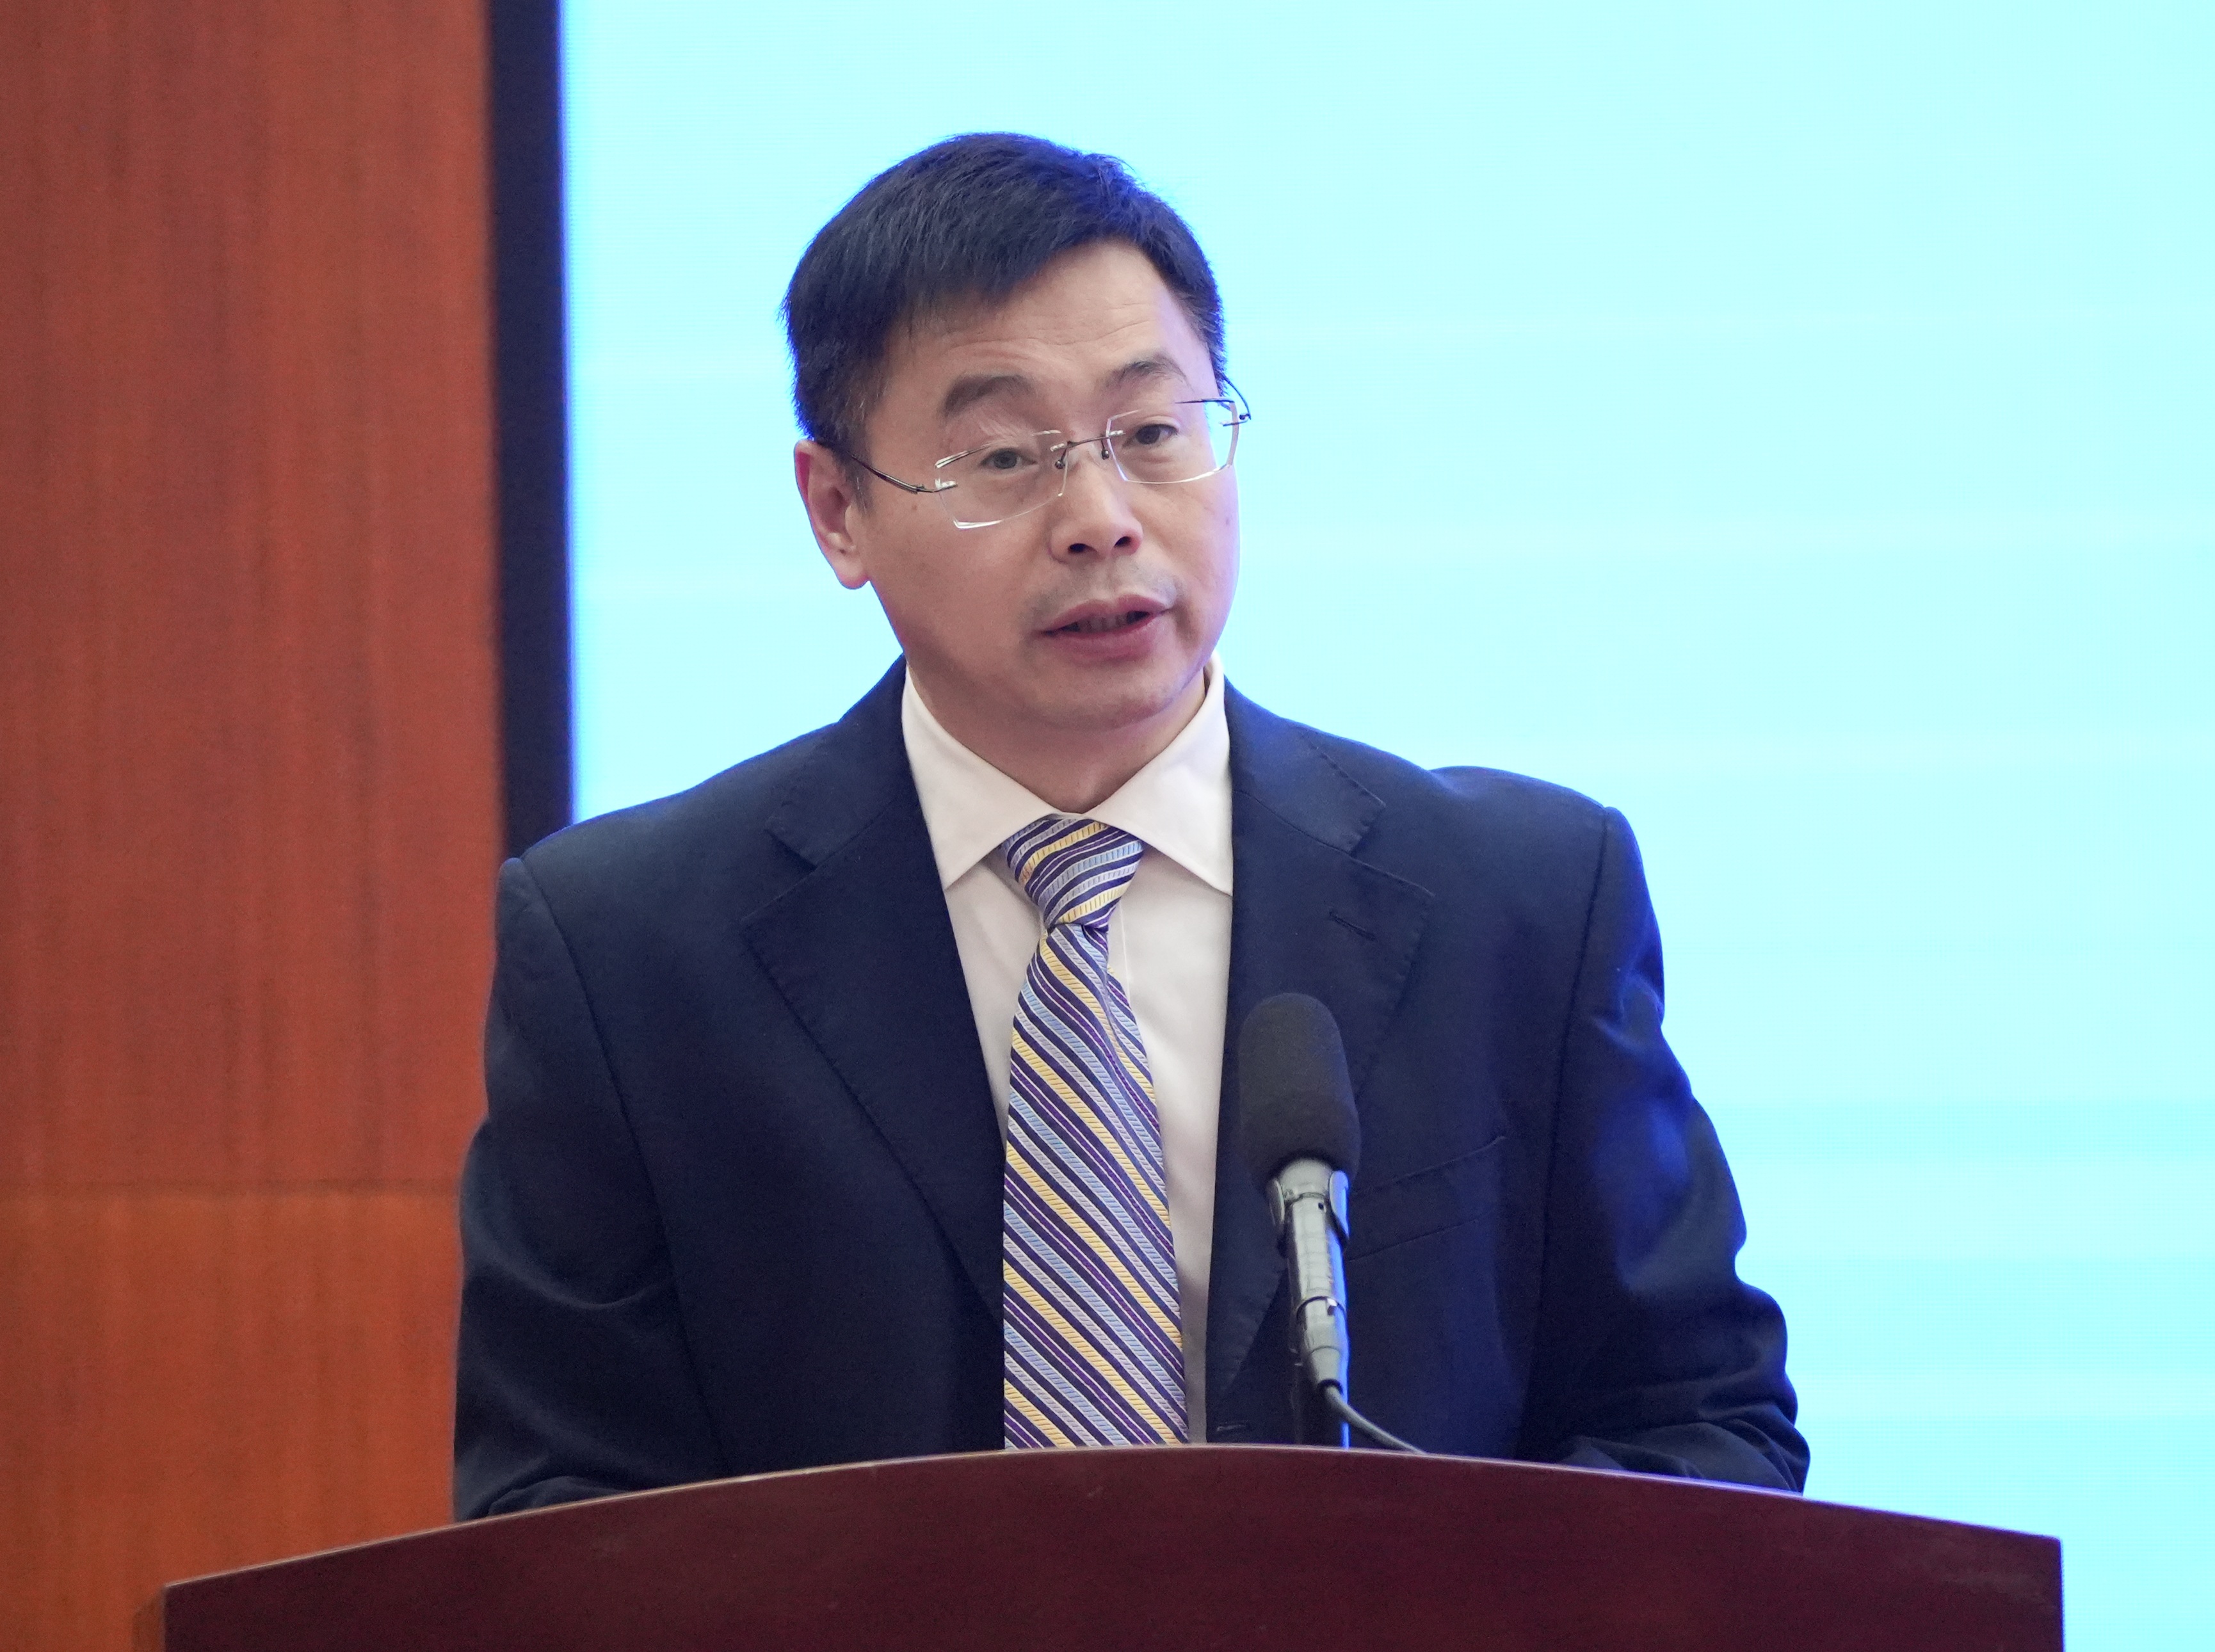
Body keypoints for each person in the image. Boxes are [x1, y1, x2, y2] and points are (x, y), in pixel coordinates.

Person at [454, 133, 1805, 1516]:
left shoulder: (1522, 904)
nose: (1100, 519)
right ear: (837, 511)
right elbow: (559, 1512)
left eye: (1153, 434)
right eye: (1002, 456)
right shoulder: (631, 955)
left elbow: (1702, 1430)